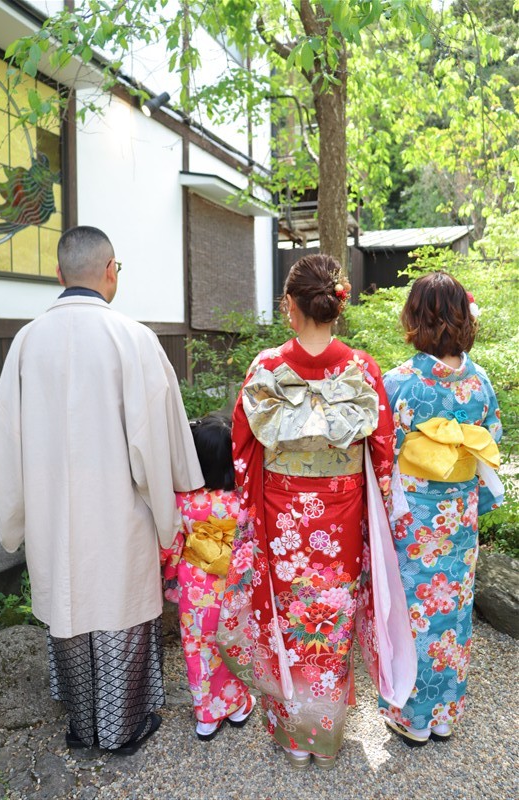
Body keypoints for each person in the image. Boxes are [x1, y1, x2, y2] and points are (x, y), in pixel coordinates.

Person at [0, 225, 204, 755]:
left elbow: (5, 442)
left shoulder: (26, 342)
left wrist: (14, 520)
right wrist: (171, 508)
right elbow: (156, 439)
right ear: (110, 271)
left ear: (59, 274)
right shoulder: (133, 337)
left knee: (68, 604)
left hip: (52, 510)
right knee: (119, 610)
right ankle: (120, 727)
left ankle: (83, 723)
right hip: (117, 508)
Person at [217, 254, 416, 770]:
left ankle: (293, 738)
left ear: (291, 305)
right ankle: (324, 738)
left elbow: (243, 447)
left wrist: (252, 502)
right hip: (342, 517)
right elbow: (383, 450)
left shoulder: (266, 367)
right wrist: (379, 502)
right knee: (329, 621)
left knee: (288, 620)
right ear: (335, 304)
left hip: (281, 516)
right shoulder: (362, 368)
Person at [378, 271, 503, 746]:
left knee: (413, 613)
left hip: (412, 517)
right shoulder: (480, 382)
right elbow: (491, 444)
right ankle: (444, 714)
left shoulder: (399, 383)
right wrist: (471, 500)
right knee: (452, 611)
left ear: (415, 318)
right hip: (460, 516)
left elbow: (381, 454)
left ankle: (413, 717)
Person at [160, 413, 256, 740]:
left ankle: (207, 716)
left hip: (196, 589)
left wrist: (170, 577)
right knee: (234, 644)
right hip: (233, 586)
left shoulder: (182, 501)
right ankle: (238, 705)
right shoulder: (243, 500)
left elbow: (173, 545)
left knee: (199, 648)